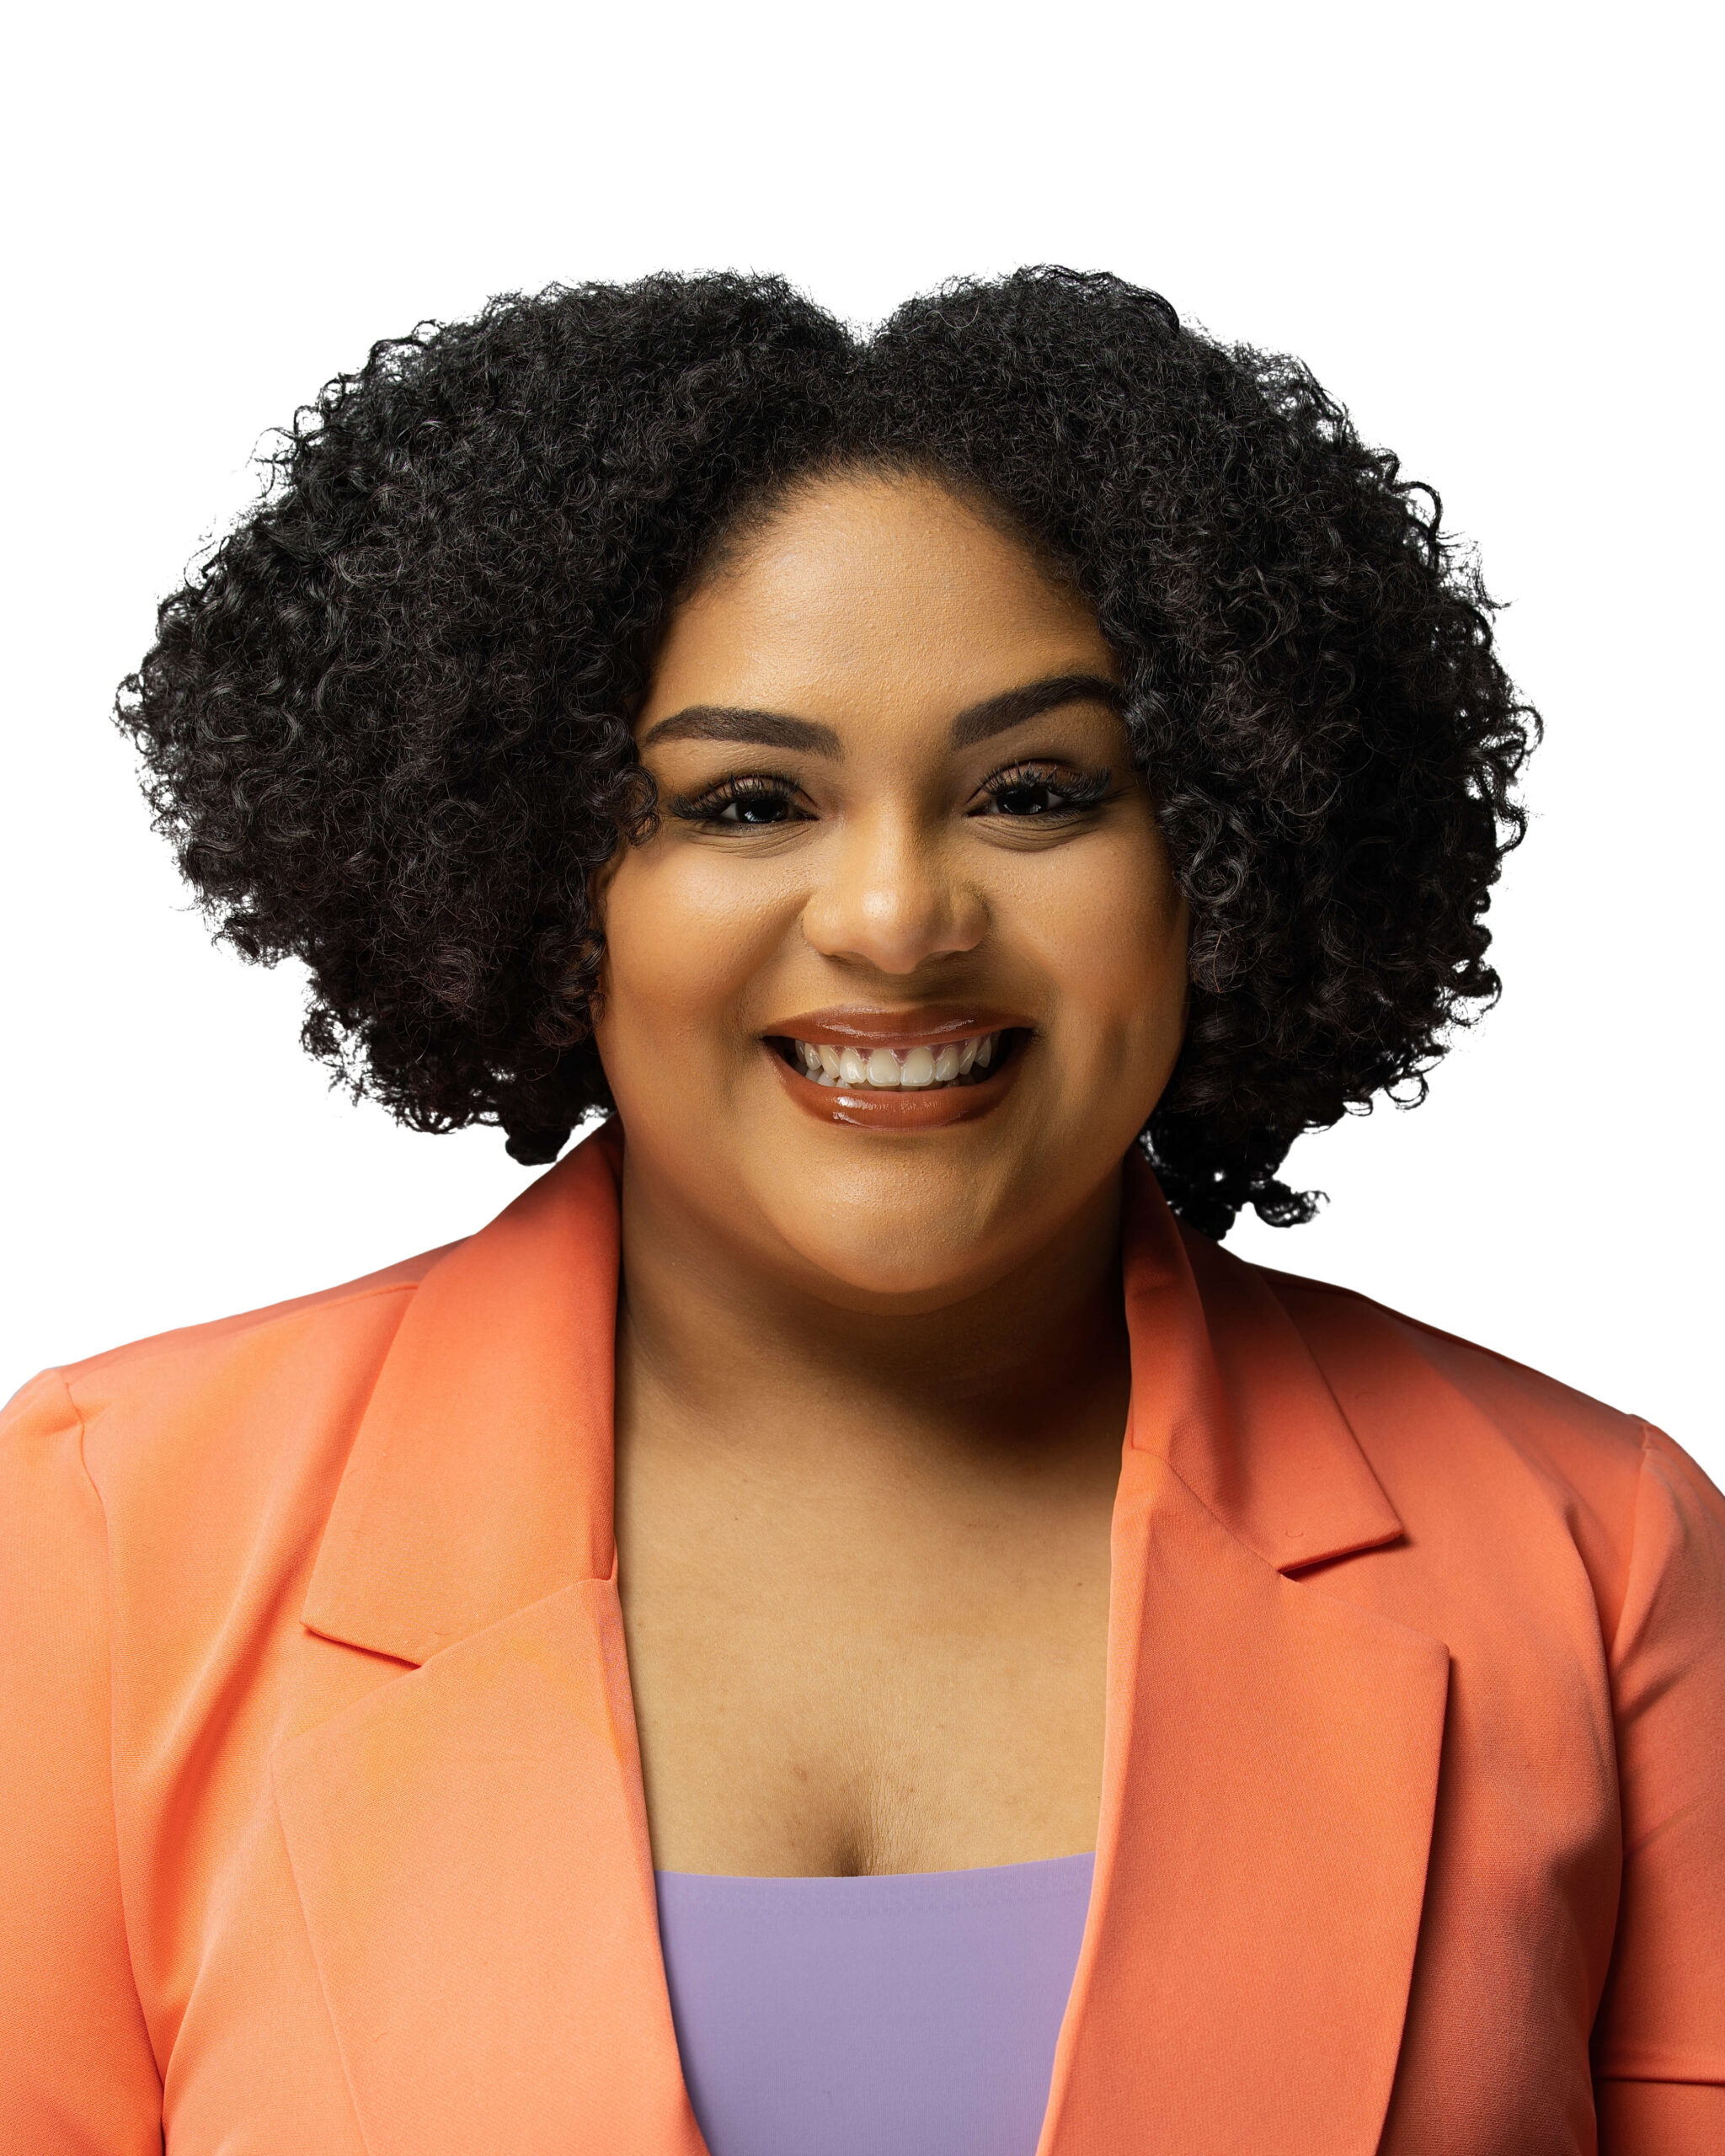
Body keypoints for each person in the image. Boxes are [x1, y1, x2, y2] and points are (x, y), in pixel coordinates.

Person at [3, 269, 1718, 2155]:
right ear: (527, 868)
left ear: (1226, 851)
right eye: (747, 802)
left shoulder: (1598, 1559)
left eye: (1035, 791)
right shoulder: (105, 1535)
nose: (898, 920)